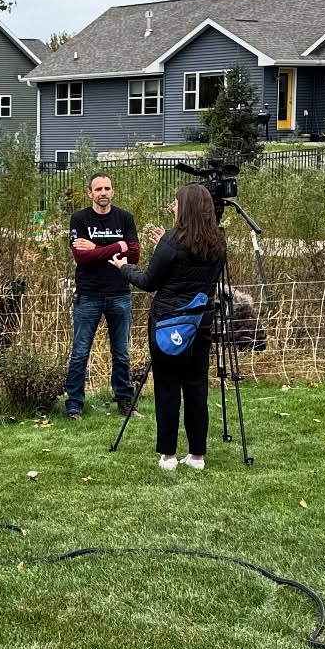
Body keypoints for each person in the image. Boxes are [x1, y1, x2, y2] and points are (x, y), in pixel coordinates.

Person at [110, 183, 226, 470]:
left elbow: (149, 281)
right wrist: (165, 243)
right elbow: (194, 266)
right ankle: (197, 455)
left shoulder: (172, 241)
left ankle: (168, 455)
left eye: (175, 203)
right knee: (197, 386)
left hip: (168, 324)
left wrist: (123, 268)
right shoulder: (218, 241)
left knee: (168, 387)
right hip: (201, 323)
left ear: (185, 208)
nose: (173, 207)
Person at [65, 173, 141, 420]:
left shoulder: (125, 218)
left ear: (113, 191)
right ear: (90, 193)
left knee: (121, 352)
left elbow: (135, 255)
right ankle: (74, 405)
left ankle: (125, 402)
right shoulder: (80, 219)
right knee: (80, 352)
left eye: (107, 188)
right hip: (89, 295)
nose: (103, 192)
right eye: (98, 189)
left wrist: (97, 249)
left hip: (120, 293)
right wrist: (117, 246)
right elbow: (81, 257)